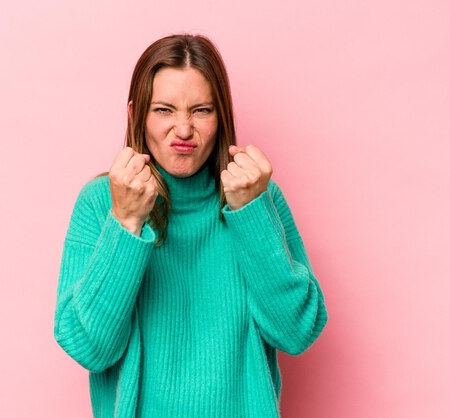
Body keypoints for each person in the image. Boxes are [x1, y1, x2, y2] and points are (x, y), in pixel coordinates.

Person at [54, 33, 328, 417]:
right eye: (164, 110)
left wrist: (250, 213)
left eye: (201, 110)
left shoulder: (257, 197)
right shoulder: (102, 203)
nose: (183, 130)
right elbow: (89, 348)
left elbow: (297, 332)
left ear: (222, 116)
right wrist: (126, 221)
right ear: (136, 115)